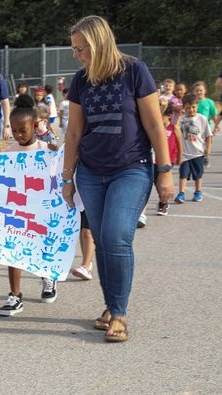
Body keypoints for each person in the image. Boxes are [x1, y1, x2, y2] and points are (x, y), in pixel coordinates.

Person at [62, 15, 174, 342]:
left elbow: (155, 126)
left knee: (115, 236)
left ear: (98, 44)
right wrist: (68, 178)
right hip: (91, 172)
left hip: (132, 167)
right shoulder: (81, 79)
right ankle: (110, 306)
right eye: (74, 49)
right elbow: (73, 133)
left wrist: (164, 173)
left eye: (81, 48)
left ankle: (119, 313)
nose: (77, 54)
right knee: (101, 237)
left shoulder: (134, 71)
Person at [0, 95, 58, 316]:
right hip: (16, 210)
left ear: (34, 126)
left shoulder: (46, 149)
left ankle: (47, 275)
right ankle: (15, 295)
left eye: (23, 130)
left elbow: (58, 172)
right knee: (13, 250)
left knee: (41, 247)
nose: (18, 135)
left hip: (40, 210)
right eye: (14, 130)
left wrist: (56, 151)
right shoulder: (9, 152)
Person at [174, 94, 212, 204]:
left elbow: (208, 135)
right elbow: (175, 129)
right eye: (188, 108)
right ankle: (181, 194)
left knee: (198, 174)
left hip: (198, 152)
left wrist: (208, 148)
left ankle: (198, 192)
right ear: (184, 108)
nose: (191, 110)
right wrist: (180, 116)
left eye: (193, 107)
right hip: (185, 154)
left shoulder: (202, 119)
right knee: (183, 174)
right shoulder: (182, 120)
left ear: (197, 106)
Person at [157, 104, 183, 215]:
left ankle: (164, 203)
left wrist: (179, 157)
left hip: (169, 159)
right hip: (155, 159)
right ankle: (162, 200)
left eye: (161, 116)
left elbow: (179, 143)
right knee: (156, 182)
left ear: (169, 115)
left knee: (162, 183)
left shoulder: (174, 128)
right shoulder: (157, 128)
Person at [70, 211, 95, 280]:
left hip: (95, 201)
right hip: (81, 202)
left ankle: (85, 267)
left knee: (87, 231)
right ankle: (87, 263)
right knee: (82, 230)